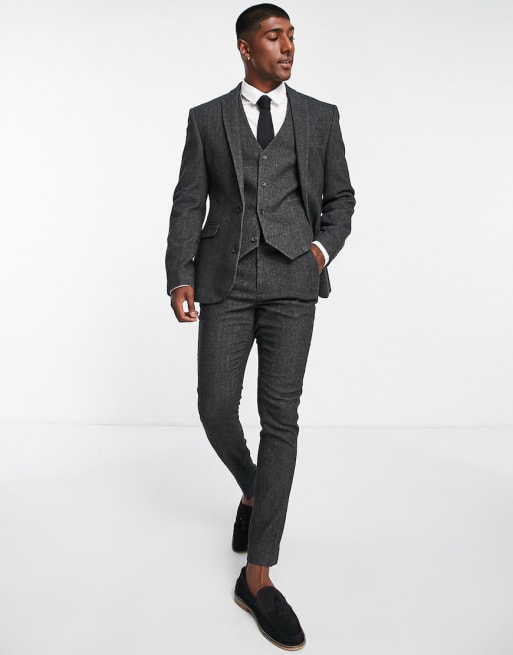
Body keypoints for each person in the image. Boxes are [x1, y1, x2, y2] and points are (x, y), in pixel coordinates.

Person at [165, 3, 355, 650]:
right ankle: (255, 490)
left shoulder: (320, 116)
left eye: (292, 36)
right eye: (274, 37)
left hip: (293, 285)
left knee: (281, 419)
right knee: (215, 407)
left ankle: (258, 575)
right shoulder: (207, 118)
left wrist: (319, 250)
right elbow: (188, 201)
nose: (288, 47)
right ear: (246, 48)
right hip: (225, 279)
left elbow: (341, 198)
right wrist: (179, 273)